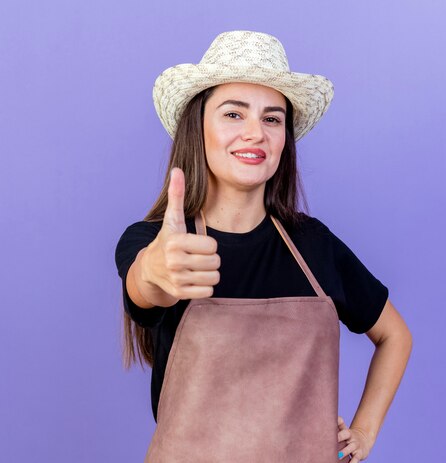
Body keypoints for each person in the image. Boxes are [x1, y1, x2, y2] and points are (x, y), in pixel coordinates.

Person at [115, 30, 412, 462]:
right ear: (197, 129)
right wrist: (155, 273)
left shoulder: (314, 246)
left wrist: (363, 431)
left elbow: (395, 336)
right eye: (233, 115)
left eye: (272, 119)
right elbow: (146, 289)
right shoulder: (156, 242)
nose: (255, 132)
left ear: (284, 140)